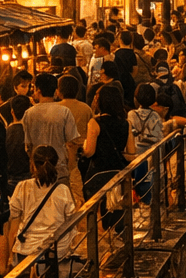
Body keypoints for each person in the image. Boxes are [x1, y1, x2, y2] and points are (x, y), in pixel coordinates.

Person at [1, 146, 77, 278]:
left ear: (32, 165)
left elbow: (13, 222)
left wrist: (8, 257)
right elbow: (71, 221)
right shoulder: (62, 190)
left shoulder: (23, 187)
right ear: (56, 164)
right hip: (54, 251)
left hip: (26, 251)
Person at [81, 85, 133, 232]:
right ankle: (115, 232)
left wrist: (82, 148)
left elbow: (90, 152)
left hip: (98, 173)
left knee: (93, 208)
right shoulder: (125, 123)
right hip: (118, 173)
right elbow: (131, 152)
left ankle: (97, 234)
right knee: (116, 208)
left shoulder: (94, 123)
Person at [22, 73, 79, 185]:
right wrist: (71, 169)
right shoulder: (64, 112)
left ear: (38, 90)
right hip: (60, 171)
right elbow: (71, 144)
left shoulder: (29, 114)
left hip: (38, 172)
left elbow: (28, 146)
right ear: (55, 91)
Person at [55, 74, 92, 206]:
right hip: (82, 156)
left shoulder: (56, 109)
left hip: (61, 156)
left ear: (59, 91)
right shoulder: (86, 108)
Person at [128, 83, 163, 202]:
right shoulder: (155, 116)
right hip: (152, 155)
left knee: (138, 183)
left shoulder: (131, 114)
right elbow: (159, 137)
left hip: (136, 155)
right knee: (151, 184)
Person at [4, 95, 33, 196]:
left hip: (10, 179)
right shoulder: (32, 132)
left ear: (12, 112)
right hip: (30, 178)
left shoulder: (5, 132)